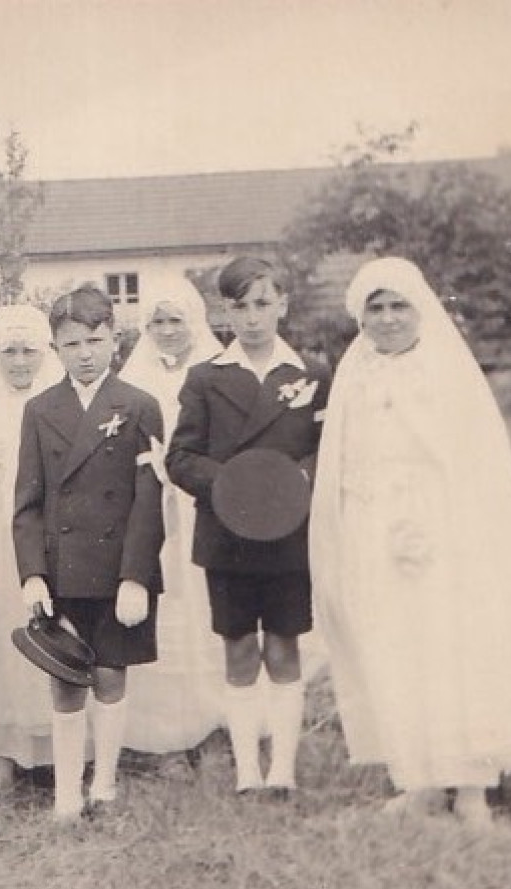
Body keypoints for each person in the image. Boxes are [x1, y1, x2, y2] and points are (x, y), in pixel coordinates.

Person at [310, 257, 511, 825]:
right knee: (393, 651)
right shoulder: (355, 372)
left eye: (398, 306)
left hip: (444, 531)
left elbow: (473, 466)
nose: (386, 320)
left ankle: (473, 786)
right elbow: (345, 458)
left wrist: (438, 524)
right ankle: (418, 781)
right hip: (373, 530)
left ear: (420, 309)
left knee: (452, 650)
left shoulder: (447, 372)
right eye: (375, 309)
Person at [166, 257, 330, 796]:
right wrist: (233, 487)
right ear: (223, 312)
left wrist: (290, 483)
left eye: (264, 303)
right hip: (228, 538)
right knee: (238, 649)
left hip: (289, 535)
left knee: (285, 647)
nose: (253, 318)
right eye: (240, 306)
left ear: (283, 303)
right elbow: (181, 458)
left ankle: (281, 769)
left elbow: (325, 453)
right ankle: (246, 771)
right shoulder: (206, 378)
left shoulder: (310, 373)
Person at [15, 284, 165, 821]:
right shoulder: (39, 409)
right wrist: (32, 573)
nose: (85, 353)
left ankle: (104, 784)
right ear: (56, 347)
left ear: (115, 341)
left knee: (110, 675)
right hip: (61, 572)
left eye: (95, 340)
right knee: (65, 677)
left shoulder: (141, 406)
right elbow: (27, 502)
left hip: (117, 569)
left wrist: (136, 577)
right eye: (72, 343)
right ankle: (65, 792)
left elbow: (150, 502)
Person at [117, 276, 231, 758]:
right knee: (163, 614)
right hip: (152, 506)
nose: (166, 331)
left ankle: (217, 724)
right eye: (156, 322)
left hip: (203, 503)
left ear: (195, 322)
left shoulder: (217, 371)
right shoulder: (134, 378)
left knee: (209, 611)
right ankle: (166, 734)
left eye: (175, 321)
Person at [0, 305, 63, 793]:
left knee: (56, 631)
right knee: (4, 638)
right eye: (9, 352)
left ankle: (62, 749)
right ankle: (4, 755)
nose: (19, 362)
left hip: (54, 531)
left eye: (29, 351)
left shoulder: (61, 400)